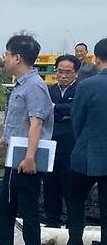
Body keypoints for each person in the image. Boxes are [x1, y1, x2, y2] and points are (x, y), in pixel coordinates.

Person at [0, 34, 54, 245]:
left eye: (7, 54)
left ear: (17, 58)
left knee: (28, 208)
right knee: (5, 204)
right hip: (15, 154)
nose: (5, 58)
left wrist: (30, 157)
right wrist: (2, 142)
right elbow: (17, 123)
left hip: (27, 158)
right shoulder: (21, 85)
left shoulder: (35, 86)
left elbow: (36, 123)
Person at [64, 38, 107, 245]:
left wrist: (84, 141)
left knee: (75, 198)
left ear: (96, 58)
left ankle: (74, 244)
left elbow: (77, 121)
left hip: (87, 154)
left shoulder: (87, 85)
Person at [42, 55, 80, 229]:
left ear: (76, 74)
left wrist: (56, 107)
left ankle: (73, 225)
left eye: (68, 72)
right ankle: (52, 222)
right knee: (50, 184)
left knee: (71, 186)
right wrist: (63, 114)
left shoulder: (80, 90)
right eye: (60, 71)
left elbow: (76, 111)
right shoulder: (49, 90)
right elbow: (44, 111)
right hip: (50, 142)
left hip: (71, 145)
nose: (63, 76)